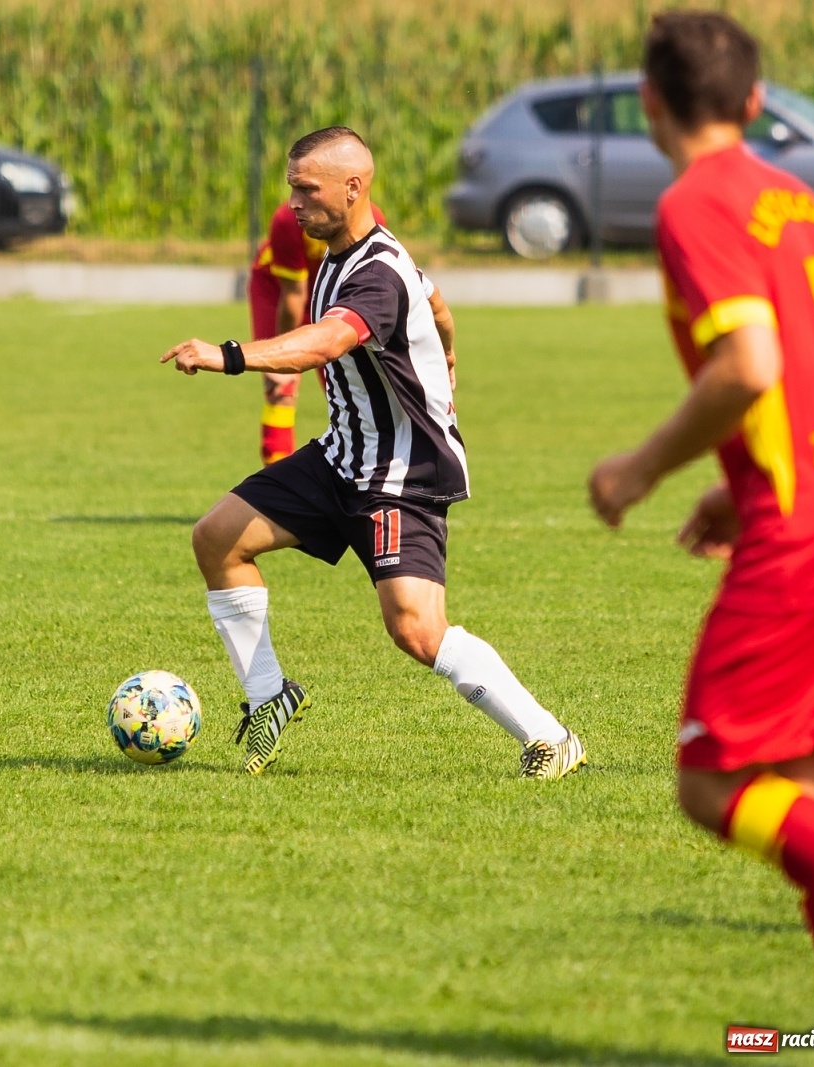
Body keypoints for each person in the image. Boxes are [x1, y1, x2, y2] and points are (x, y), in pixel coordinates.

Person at [588, 12, 814, 1054]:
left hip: (807, 527)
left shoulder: (696, 202)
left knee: (713, 782)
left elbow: (750, 366)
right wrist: (740, 474)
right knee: (803, 798)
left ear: (650, 104)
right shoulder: (801, 198)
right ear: (758, 102)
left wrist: (641, 467)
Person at [164, 127, 585, 779]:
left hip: (401, 476)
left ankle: (550, 736)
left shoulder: (377, 274)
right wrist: (446, 347)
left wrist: (229, 355)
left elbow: (328, 341)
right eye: (291, 189)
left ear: (353, 187)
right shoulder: (339, 252)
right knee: (217, 538)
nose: (294, 204)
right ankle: (268, 695)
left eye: (307, 190)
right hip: (341, 456)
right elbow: (438, 301)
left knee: (416, 629)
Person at [249, 201, 456, 465]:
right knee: (281, 388)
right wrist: (281, 363)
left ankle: (372, 477)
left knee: (352, 388)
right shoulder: (286, 220)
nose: (297, 199)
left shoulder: (372, 220)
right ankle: (275, 491)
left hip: (337, 293)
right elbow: (293, 296)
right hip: (278, 289)